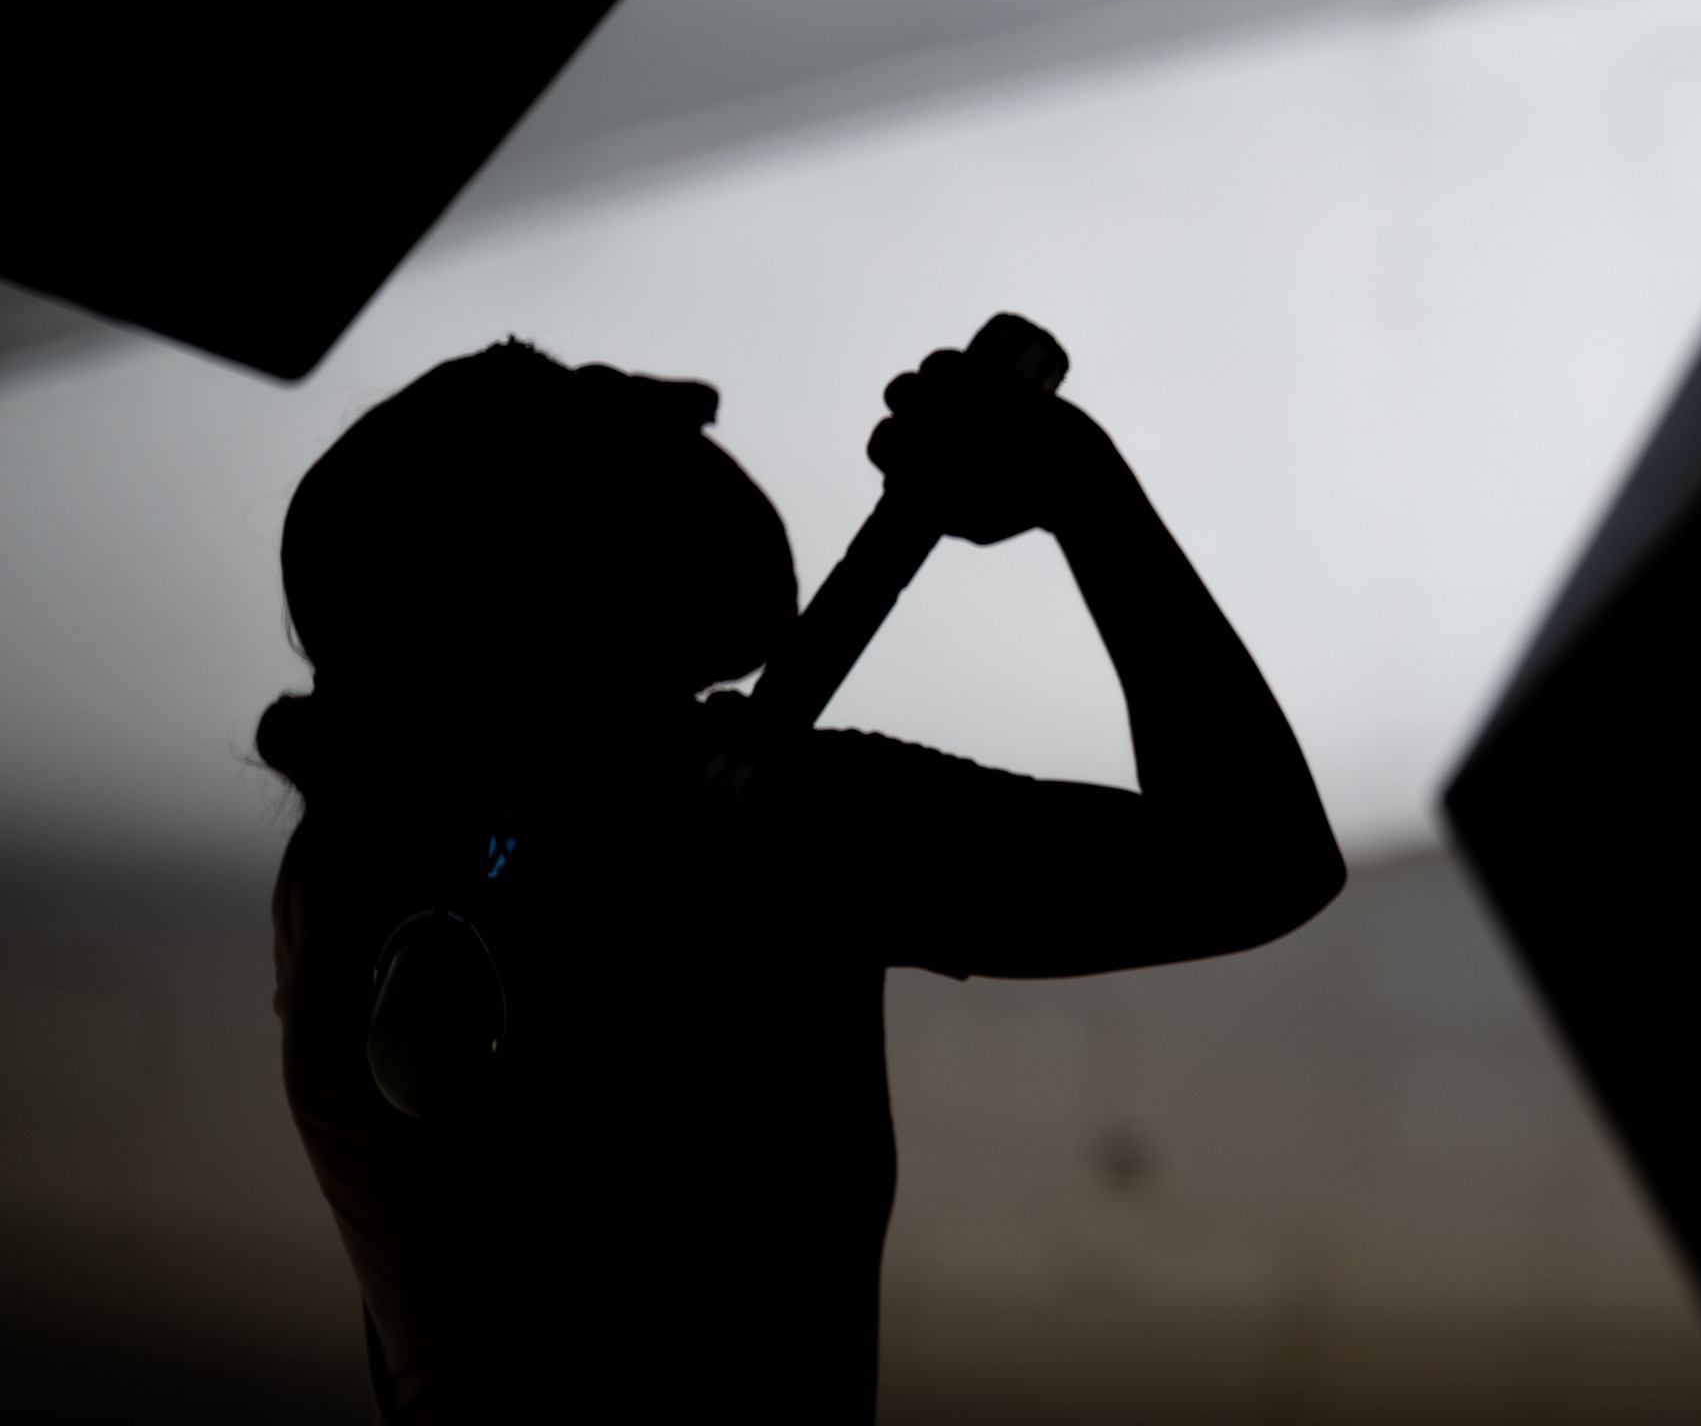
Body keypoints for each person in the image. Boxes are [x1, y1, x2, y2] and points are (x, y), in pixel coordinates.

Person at [259, 334, 1343, 1423]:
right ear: (536, 574)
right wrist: (1082, 487)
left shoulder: (353, 852)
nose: (698, 407)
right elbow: (1259, 859)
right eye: (612, 424)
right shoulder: (753, 833)